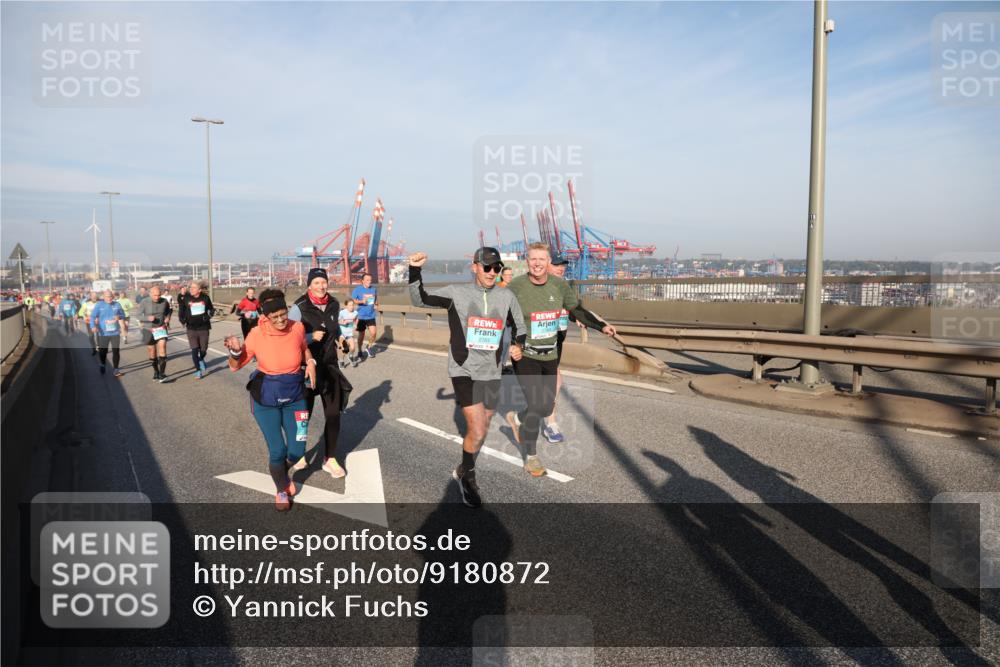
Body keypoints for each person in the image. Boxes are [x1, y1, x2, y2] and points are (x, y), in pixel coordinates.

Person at [409, 247, 525, 508]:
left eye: (497, 268)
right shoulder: (456, 293)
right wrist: (414, 270)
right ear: (474, 267)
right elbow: (420, 300)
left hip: (493, 371)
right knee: (478, 428)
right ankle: (469, 479)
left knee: (484, 424)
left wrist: (518, 345)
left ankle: (463, 467)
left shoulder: (506, 296)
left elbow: (520, 325)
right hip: (464, 370)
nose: (492, 272)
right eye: (487, 267)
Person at [504, 243, 616, 477]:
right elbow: (501, 318)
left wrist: (600, 326)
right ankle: (531, 456)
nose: (537, 264)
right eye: (533, 259)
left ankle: (521, 416)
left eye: (541, 260)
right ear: (527, 261)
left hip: (550, 354)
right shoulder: (516, 287)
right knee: (536, 403)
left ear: (548, 263)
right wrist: (510, 346)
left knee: (545, 405)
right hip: (524, 354)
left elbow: (577, 310)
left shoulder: (559, 285)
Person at [224, 289, 317, 511]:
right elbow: (235, 366)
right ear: (265, 316)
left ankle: (280, 471)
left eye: (283, 314)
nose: (280, 320)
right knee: (277, 451)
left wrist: (311, 362)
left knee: (297, 450)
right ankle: (281, 488)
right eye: (274, 317)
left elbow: (304, 349)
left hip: (295, 397)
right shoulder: (257, 334)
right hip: (265, 399)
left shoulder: (298, 327)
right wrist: (236, 352)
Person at [287, 268, 348, 479]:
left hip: (330, 366)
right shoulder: (299, 307)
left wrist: (341, 340)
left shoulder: (334, 303)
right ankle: (298, 454)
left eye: (324, 282)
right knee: (303, 415)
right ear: (309, 285)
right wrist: (311, 336)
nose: (321, 286)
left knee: (333, 414)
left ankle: (329, 458)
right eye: (316, 283)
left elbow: (335, 327)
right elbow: (288, 336)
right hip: (306, 367)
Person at [543, 252, 574, 443]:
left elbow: (572, 307)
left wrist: (578, 317)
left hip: (557, 341)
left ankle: (531, 412)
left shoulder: (564, 287)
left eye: (563, 265)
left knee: (555, 381)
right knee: (552, 381)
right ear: (546, 265)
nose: (561, 268)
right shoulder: (538, 287)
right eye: (557, 264)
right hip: (539, 342)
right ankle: (551, 424)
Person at [137, 285, 173, 382]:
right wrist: (147, 318)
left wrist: (168, 317)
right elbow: (138, 315)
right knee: (152, 352)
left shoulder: (164, 301)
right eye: (155, 295)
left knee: (163, 347)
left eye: (159, 295)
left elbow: (169, 311)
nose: (157, 297)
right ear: (150, 294)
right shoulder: (144, 302)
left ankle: (162, 374)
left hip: (160, 328)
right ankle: (156, 372)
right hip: (148, 330)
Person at [180, 281, 214, 379]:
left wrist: (207, 317)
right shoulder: (186, 298)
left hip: (203, 327)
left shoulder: (205, 298)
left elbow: (211, 310)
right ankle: (198, 370)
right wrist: (182, 320)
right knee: (194, 350)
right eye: (191, 287)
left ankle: (201, 359)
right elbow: (181, 310)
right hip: (191, 328)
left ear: (199, 290)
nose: (191, 289)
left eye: (194, 288)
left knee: (203, 350)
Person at [89, 290, 127, 377]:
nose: (109, 298)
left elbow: (123, 315)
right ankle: (102, 364)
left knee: (116, 351)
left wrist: (119, 316)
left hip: (115, 332)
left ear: (113, 297)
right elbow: (92, 316)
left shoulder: (117, 304)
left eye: (110, 296)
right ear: (103, 297)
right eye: (107, 297)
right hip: (103, 333)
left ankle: (116, 369)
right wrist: (92, 326)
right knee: (103, 351)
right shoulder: (99, 305)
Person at [351, 273, 379, 358]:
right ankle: (359, 349)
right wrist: (361, 301)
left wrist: (376, 304)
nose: (369, 281)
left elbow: (376, 299)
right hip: (361, 316)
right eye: (367, 280)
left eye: (370, 280)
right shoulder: (357, 289)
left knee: (373, 333)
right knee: (361, 335)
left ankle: (369, 347)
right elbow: (354, 300)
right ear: (362, 281)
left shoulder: (373, 289)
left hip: (371, 315)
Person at [337, 298, 360, 368]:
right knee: (345, 349)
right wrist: (342, 322)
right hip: (342, 334)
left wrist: (356, 324)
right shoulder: (342, 312)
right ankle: (341, 361)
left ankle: (350, 356)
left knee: (353, 348)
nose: (351, 307)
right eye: (349, 305)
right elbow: (337, 321)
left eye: (352, 305)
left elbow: (356, 319)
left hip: (350, 334)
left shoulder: (355, 313)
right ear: (346, 306)